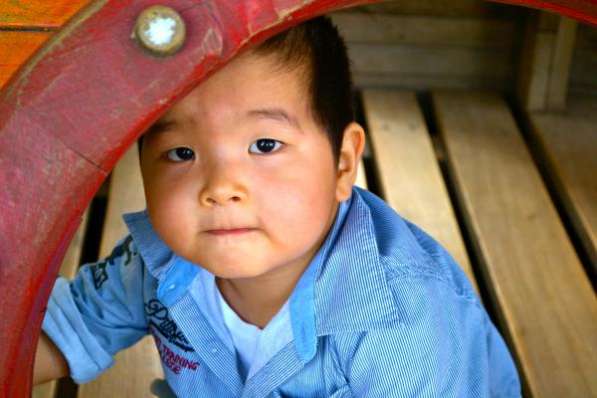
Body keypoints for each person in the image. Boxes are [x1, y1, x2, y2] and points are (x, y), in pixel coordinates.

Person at [34, 16, 521, 397]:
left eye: (265, 145)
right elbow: (62, 331)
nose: (221, 188)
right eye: (182, 153)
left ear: (343, 164)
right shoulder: (157, 261)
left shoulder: (407, 325)